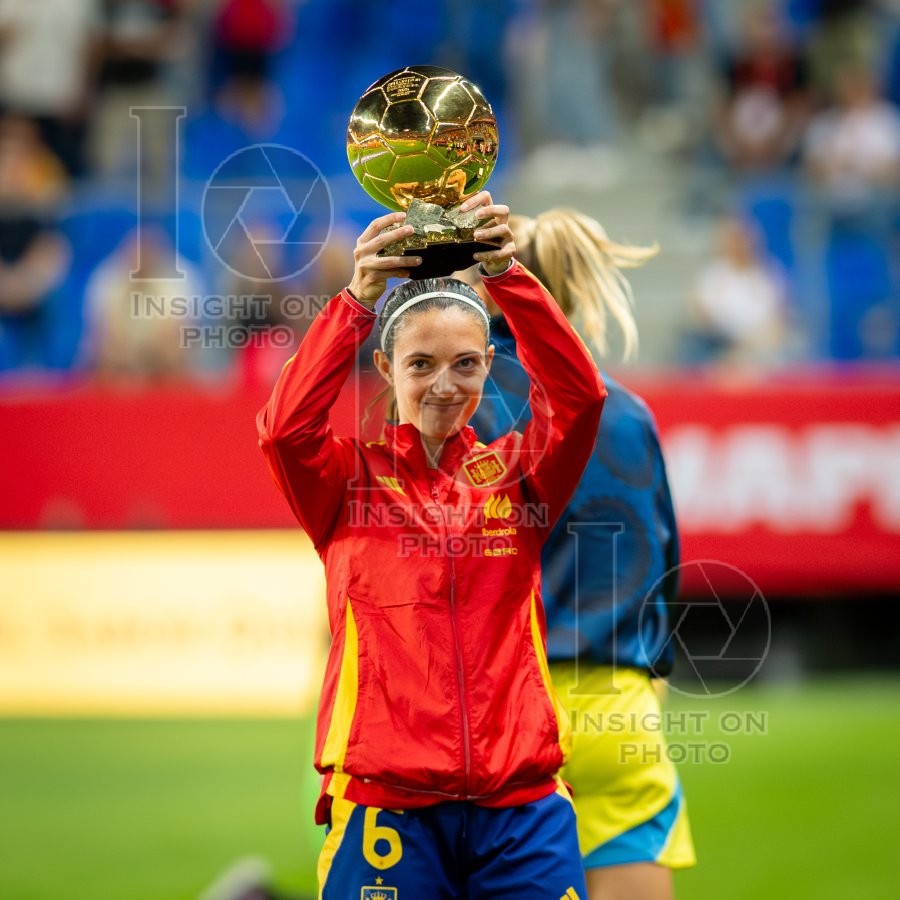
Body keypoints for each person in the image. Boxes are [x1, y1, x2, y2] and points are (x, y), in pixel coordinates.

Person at [257, 192, 606, 898]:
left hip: (522, 806)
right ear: (386, 370)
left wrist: (509, 277)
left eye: (466, 365)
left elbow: (580, 400)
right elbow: (282, 431)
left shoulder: (520, 476)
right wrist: (357, 300)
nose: (445, 386)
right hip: (388, 809)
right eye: (421, 364)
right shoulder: (345, 482)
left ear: (488, 365)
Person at [467, 208, 696, 900]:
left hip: (502, 708)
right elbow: (668, 567)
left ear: (490, 291)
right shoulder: (628, 412)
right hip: (618, 704)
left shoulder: (459, 403)